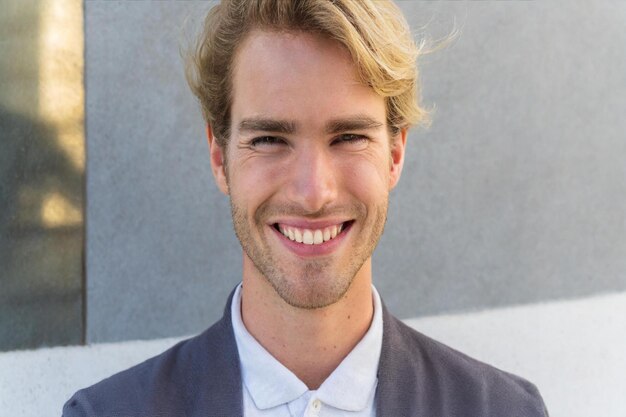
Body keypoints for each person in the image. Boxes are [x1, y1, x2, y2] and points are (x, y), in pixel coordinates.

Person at [63, 1, 549, 416]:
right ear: (219, 156)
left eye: (349, 137)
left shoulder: (502, 409)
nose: (314, 193)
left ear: (396, 153)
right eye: (270, 139)